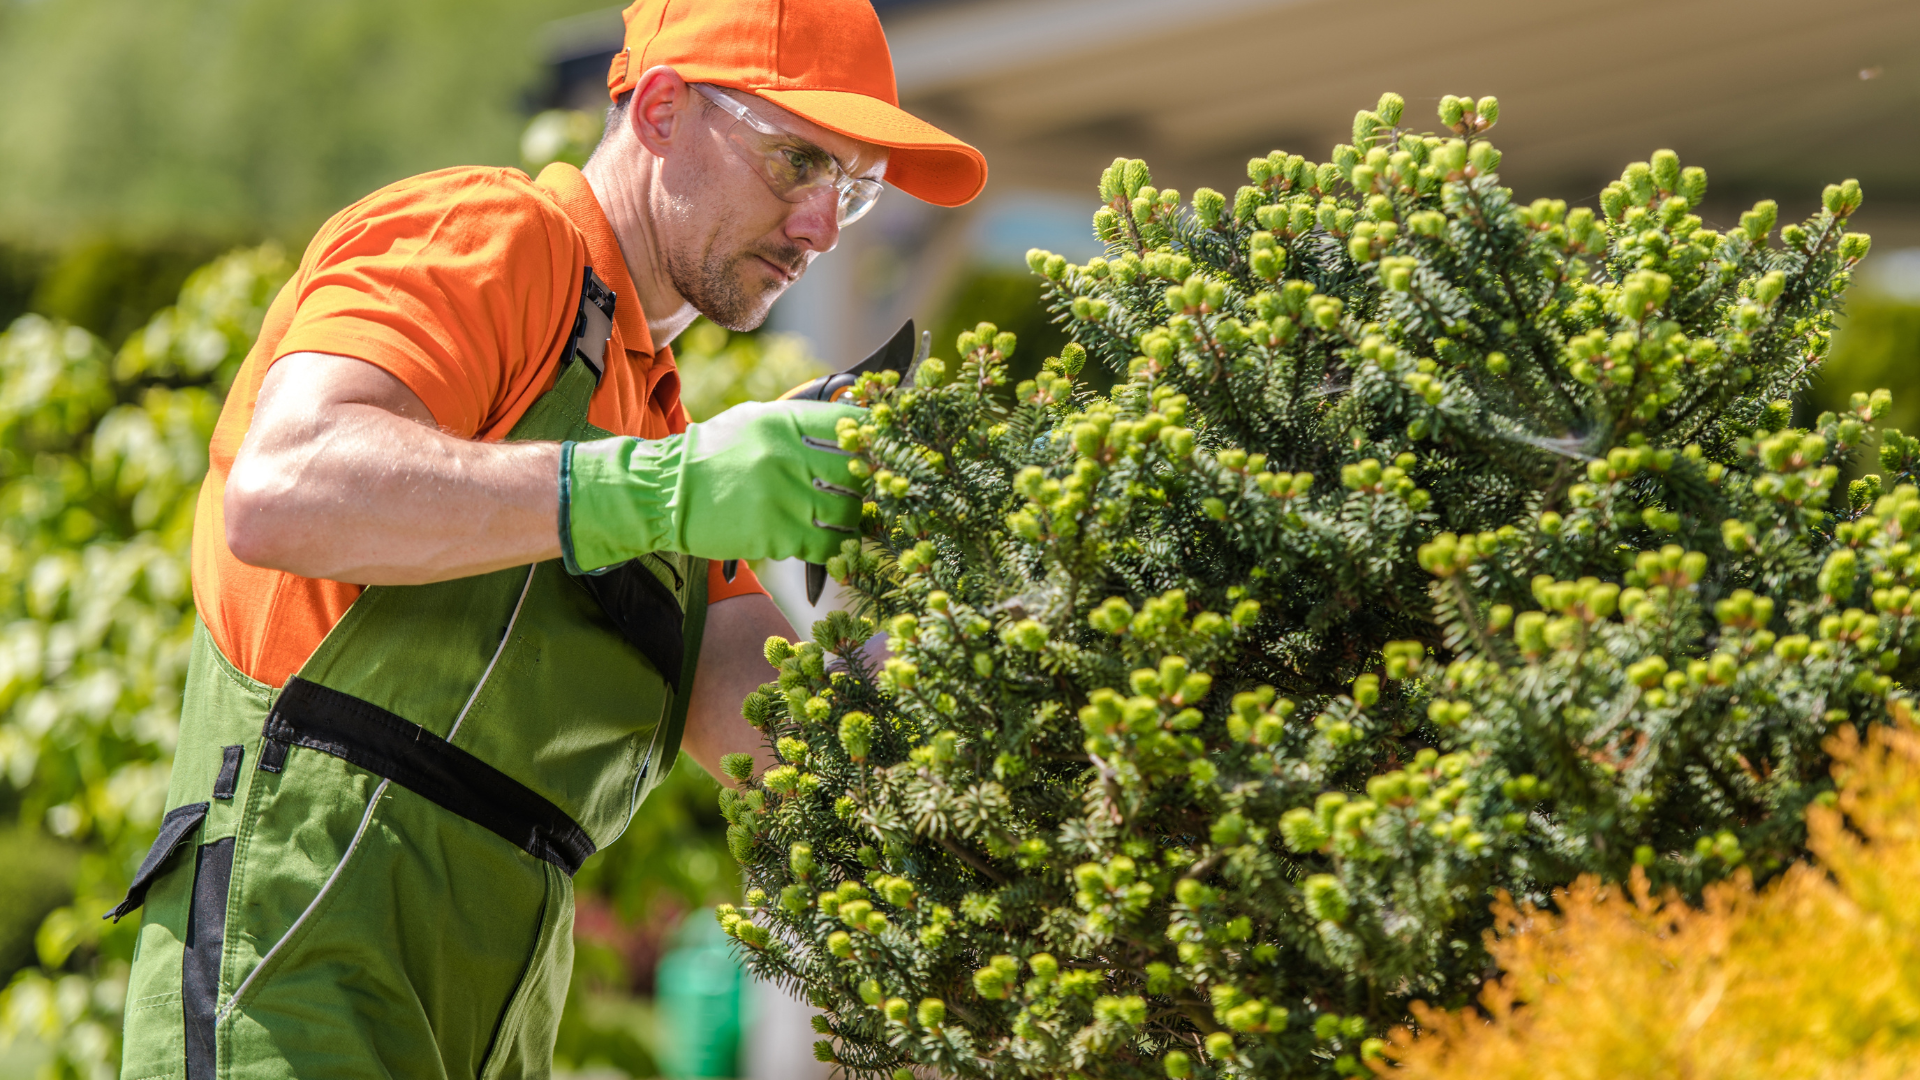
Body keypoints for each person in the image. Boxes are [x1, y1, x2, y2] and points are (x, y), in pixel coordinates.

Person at [108, 2, 986, 1077]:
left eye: (852, 192)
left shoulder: (662, 434)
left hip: (494, 1023)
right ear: (661, 109)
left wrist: (962, 622)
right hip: (289, 971)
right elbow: (285, 486)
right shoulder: (491, 238)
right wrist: (660, 487)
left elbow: (797, 754)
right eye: (797, 160)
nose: (818, 226)